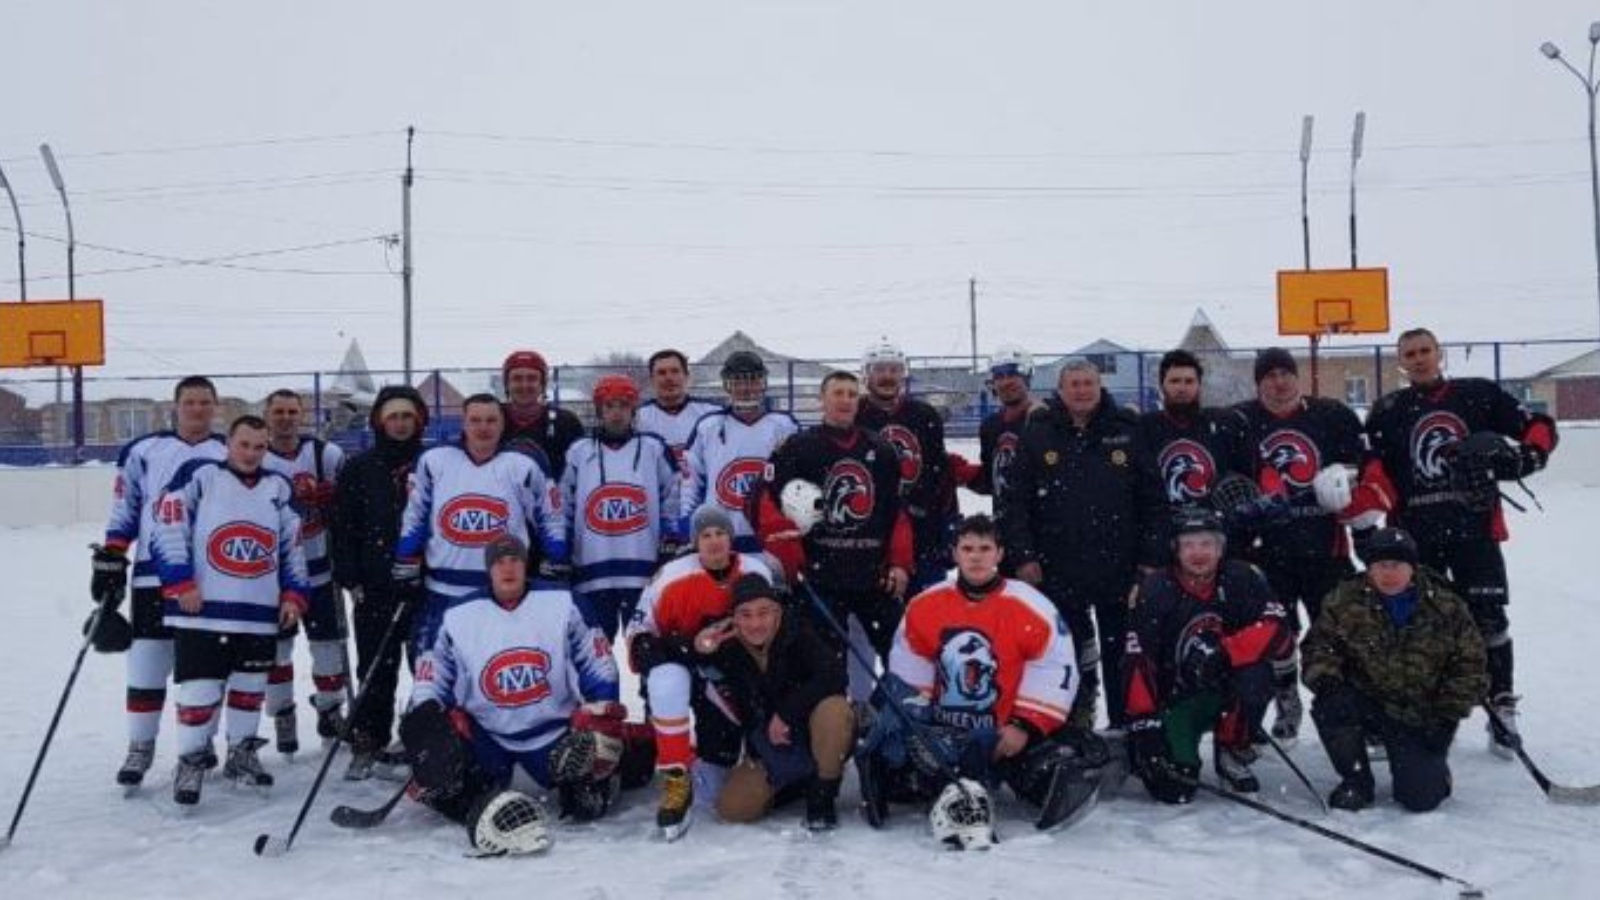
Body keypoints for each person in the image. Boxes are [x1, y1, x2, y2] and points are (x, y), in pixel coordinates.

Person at [1355, 327, 1557, 756]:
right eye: (1410, 353)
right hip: (1415, 538)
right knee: (1414, 624)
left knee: (1489, 620)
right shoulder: (1388, 410)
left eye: (1425, 350)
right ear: (1401, 362)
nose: (1419, 358)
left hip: (1474, 531)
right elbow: (1372, 466)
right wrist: (1371, 514)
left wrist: (1529, 456)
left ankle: (1501, 708)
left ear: (1439, 353)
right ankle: (1411, 710)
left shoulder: (1478, 394)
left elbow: (1539, 426)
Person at [856, 514, 1106, 847]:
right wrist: (922, 731)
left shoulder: (1032, 606)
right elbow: (909, 675)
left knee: (1056, 765)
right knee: (893, 753)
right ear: (955, 554)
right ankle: (935, 776)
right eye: (968, 548)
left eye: (985, 549)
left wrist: (1024, 725)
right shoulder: (925, 605)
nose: (976, 557)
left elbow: (1054, 670)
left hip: (1003, 737)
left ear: (999, 554)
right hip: (943, 735)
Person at [399, 534, 641, 855]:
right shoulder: (457, 614)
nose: (508, 568)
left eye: (514, 559)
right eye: (499, 562)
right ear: (488, 569)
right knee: (451, 786)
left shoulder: (563, 602)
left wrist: (601, 708)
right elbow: (432, 674)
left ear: (526, 564)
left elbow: (597, 662)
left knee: (587, 804)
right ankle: (459, 790)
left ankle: (632, 753)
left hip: (554, 734)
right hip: (488, 736)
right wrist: (428, 719)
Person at [151, 415, 311, 806]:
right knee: (200, 689)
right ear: (228, 443)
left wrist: (294, 594)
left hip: (258, 610)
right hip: (203, 609)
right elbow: (168, 526)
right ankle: (191, 760)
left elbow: (292, 546)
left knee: (249, 688)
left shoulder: (278, 487)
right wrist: (179, 581)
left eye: (260, 446)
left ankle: (242, 753)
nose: (252, 453)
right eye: (244, 444)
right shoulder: (201, 476)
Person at [1001, 358, 1165, 729]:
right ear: (1060, 390)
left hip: (1119, 565)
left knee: (1121, 652)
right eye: (1073, 384)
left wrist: (1150, 559)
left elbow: (1153, 501)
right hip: (1057, 565)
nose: (1082, 391)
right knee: (1067, 651)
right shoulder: (1039, 432)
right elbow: (1016, 502)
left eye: (1088, 383)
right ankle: (1073, 723)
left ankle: (1125, 726)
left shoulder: (1126, 430)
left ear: (1099, 386)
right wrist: (1024, 555)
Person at [95, 375, 227, 788]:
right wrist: (112, 556)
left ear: (215, 406)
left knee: (203, 668)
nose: (197, 409)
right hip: (152, 575)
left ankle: (199, 745)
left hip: (210, 578)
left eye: (205, 402)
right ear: (176, 406)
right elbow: (126, 506)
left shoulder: (230, 451)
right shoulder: (144, 450)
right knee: (147, 662)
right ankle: (141, 746)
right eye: (190, 402)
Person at [1232, 347, 1369, 743]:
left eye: (1285, 373)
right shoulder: (1240, 421)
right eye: (1269, 376)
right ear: (1259, 383)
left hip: (1326, 547)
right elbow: (1228, 477)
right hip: (1267, 551)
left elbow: (1364, 466)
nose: (1279, 382)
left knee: (1339, 631)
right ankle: (1286, 701)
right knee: (1277, 633)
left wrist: (1347, 480)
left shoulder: (1331, 415)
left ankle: (1347, 710)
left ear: (1297, 376)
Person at [1301, 527, 1487, 811]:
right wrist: (1328, 682)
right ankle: (1356, 781)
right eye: (1381, 565)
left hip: (1421, 713)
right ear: (1369, 568)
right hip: (1367, 702)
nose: (1389, 573)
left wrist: (1447, 716)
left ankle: (1434, 771)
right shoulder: (1344, 599)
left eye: (1397, 565)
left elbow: (1470, 665)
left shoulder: (1446, 605)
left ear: (1412, 567)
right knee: (1331, 705)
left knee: (1420, 798)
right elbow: (1318, 647)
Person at [1122, 507, 1292, 803]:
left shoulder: (1243, 577)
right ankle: (1172, 749)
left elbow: (1278, 631)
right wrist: (1145, 722)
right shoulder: (1156, 588)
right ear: (1175, 549)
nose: (1198, 553)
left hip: (1227, 691)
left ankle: (1232, 749)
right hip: (1176, 699)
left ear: (1220, 548)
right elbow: (1138, 659)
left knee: (1256, 677)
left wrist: (1225, 653)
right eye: (1188, 544)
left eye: (1206, 543)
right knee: (1173, 789)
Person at [627, 505, 776, 839]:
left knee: (715, 782)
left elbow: (779, 631)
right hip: (684, 666)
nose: (714, 541)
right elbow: (641, 642)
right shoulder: (671, 577)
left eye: (720, 533)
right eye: (706, 535)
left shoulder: (755, 571)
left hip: (733, 673)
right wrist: (688, 646)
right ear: (695, 541)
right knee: (665, 680)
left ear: (731, 538)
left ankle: (739, 755)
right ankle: (676, 775)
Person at [757, 370, 913, 684]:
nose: (845, 400)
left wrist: (900, 562)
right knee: (826, 666)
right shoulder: (797, 448)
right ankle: (835, 714)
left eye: (852, 394)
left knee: (904, 656)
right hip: (820, 576)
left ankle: (895, 712)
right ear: (822, 400)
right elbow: (766, 502)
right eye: (837, 393)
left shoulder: (881, 449)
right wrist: (787, 551)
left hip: (873, 575)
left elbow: (896, 512)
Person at [394, 393, 568, 664]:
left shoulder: (523, 464)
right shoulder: (434, 461)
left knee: (496, 668)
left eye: (491, 420)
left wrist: (555, 557)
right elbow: (416, 514)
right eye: (475, 420)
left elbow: (550, 516)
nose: (483, 427)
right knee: (433, 669)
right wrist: (406, 556)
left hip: (502, 592)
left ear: (502, 424)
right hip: (443, 590)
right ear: (463, 423)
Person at [694, 573, 853, 831]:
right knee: (732, 809)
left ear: (777, 611)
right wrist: (698, 648)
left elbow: (834, 674)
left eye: (763, 612)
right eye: (745, 614)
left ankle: (823, 792)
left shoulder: (798, 631)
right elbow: (682, 656)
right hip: (768, 745)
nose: (755, 623)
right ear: (733, 618)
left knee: (834, 710)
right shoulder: (727, 646)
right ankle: (796, 783)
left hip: (811, 728)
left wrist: (786, 714)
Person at [331, 385, 430, 780]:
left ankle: (426, 736)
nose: (401, 424)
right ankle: (370, 736)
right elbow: (343, 526)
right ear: (379, 422)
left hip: (425, 584)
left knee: (428, 667)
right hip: (375, 585)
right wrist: (350, 576)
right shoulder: (360, 468)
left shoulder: (434, 463)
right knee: (375, 666)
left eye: (407, 417)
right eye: (393, 417)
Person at [259, 388, 349, 757]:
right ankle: (283, 713)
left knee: (328, 647)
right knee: (277, 651)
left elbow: (353, 498)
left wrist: (335, 500)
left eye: (292, 412)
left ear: (302, 414)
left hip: (321, 569)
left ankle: (330, 710)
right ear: (267, 416)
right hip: (273, 576)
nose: (285, 418)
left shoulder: (325, 454)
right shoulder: (256, 455)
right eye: (278, 412)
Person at [561, 374, 684, 642]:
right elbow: (563, 505)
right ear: (599, 410)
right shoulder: (578, 452)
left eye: (623, 406)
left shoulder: (653, 448)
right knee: (595, 652)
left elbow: (673, 497)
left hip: (643, 570)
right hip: (592, 570)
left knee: (646, 648)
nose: (616, 413)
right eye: (609, 406)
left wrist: (672, 538)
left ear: (633, 410)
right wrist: (562, 549)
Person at [854, 339, 955, 593]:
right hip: (870, 533)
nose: (887, 376)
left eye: (894, 369)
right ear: (866, 374)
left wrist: (947, 523)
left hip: (923, 531)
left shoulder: (924, 414)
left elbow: (941, 474)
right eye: (879, 369)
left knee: (927, 608)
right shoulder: (854, 415)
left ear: (904, 373)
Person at [683, 350, 798, 554]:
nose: (745, 388)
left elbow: (799, 481)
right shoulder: (708, 426)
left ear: (762, 383)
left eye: (752, 380)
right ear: (728, 385)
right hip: (720, 539)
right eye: (738, 381)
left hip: (771, 537)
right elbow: (690, 481)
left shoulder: (785, 425)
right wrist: (688, 523)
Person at [1138, 349, 1253, 519]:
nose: (1182, 388)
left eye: (1189, 381)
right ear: (1162, 385)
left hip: (1213, 529)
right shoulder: (1143, 428)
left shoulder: (1225, 426)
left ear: (1199, 385)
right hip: (1162, 526)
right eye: (1175, 381)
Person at [635, 348, 720, 478]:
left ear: (686, 376)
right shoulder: (638, 418)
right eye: (661, 373)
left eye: (675, 371)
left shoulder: (711, 413)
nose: (669, 378)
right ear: (652, 379)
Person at [500, 349, 581, 477]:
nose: (524, 385)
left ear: (542, 384)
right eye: (517, 378)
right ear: (507, 384)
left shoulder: (566, 422)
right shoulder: (491, 419)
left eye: (532, 378)